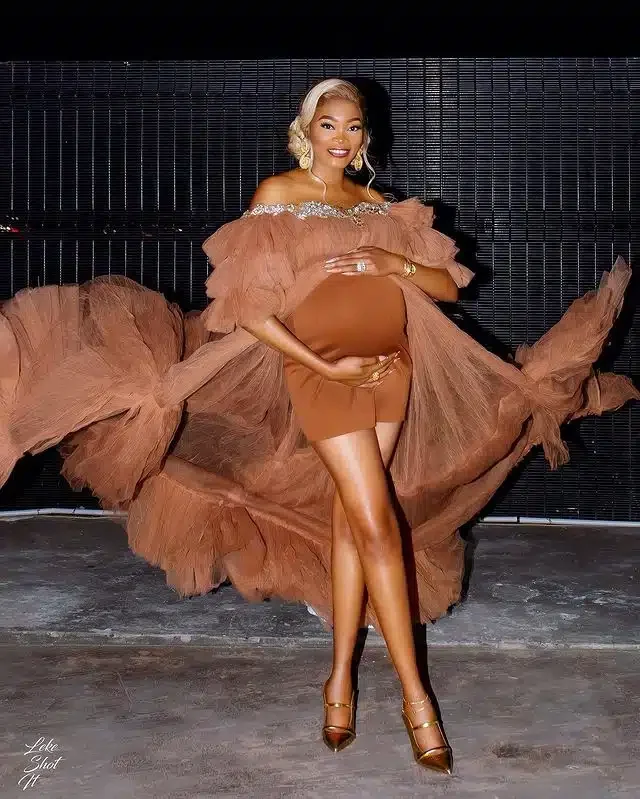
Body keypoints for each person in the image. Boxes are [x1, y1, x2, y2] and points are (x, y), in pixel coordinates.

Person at [0, 78, 637, 774]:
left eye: (353, 126)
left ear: (365, 138)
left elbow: (447, 284)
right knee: (378, 525)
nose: (341, 136)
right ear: (307, 130)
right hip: (322, 377)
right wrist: (320, 364)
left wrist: (395, 262)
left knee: (349, 519)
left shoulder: (378, 206)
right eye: (328, 124)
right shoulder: (278, 196)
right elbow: (249, 309)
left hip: (393, 370)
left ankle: (339, 681)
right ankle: (417, 699)